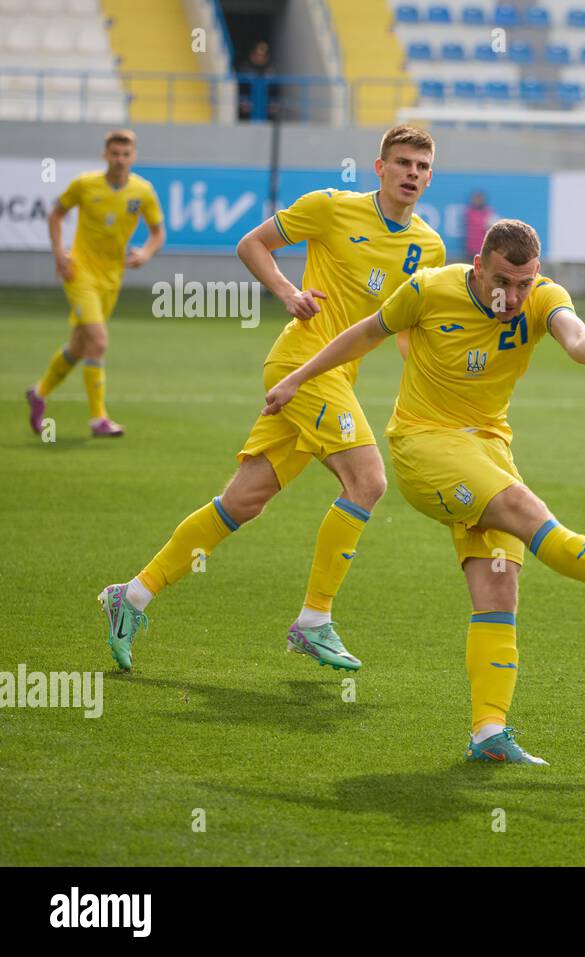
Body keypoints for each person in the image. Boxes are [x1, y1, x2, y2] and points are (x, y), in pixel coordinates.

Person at [261, 219, 585, 765]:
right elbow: (364, 333)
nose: (512, 296)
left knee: (498, 591)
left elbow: (574, 333)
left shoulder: (543, 298)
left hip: (490, 450)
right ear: (478, 265)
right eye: (501, 282)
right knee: (525, 510)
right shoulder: (430, 289)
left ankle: (488, 733)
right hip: (425, 448)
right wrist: (297, 377)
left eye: (523, 283)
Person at [95, 125, 445, 674]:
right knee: (369, 482)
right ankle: (314, 621)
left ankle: (131, 596)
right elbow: (251, 243)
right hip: (298, 366)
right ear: (379, 168)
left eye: (422, 167)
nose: (412, 175)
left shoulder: (429, 246)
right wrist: (287, 292)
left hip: (334, 379)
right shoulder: (330, 208)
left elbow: (402, 325)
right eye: (402, 163)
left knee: (243, 501)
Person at [26, 129, 165, 439]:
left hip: (113, 276)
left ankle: (39, 392)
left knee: (80, 346)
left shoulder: (142, 192)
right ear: (105, 155)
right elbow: (55, 215)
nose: (119, 159)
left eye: (125, 154)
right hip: (79, 272)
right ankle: (98, 419)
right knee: (99, 342)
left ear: (133, 157)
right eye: (114, 154)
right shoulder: (85, 184)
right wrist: (59, 255)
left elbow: (158, 232)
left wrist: (146, 252)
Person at [463, 190, 494, 263]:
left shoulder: (488, 213)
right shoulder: (469, 212)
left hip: (482, 247)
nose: (477, 201)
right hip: (471, 247)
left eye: (479, 199)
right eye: (475, 199)